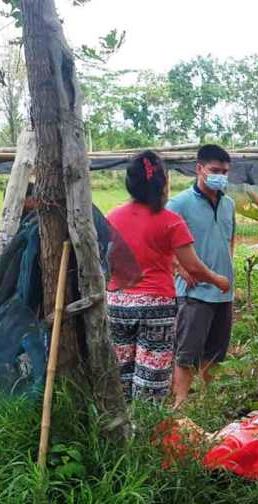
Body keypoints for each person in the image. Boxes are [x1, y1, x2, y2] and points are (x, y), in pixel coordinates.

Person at [106, 151, 230, 402]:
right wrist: (218, 280)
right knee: (151, 376)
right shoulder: (169, 220)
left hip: (118, 304)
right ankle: (147, 434)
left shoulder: (112, 217)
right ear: (162, 184)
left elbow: (104, 259)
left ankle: (121, 427)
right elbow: (193, 267)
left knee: (121, 371)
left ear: (130, 183)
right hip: (155, 307)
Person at [167, 144, 236, 409]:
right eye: (215, 170)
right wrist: (181, 268)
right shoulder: (179, 204)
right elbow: (165, 245)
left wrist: (226, 271)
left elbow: (229, 240)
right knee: (186, 352)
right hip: (194, 293)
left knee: (215, 352)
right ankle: (180, 403)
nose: (221, 176)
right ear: (199, 169)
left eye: (225, 172)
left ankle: (207, 403)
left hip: (223, 292)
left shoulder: (228, 204)